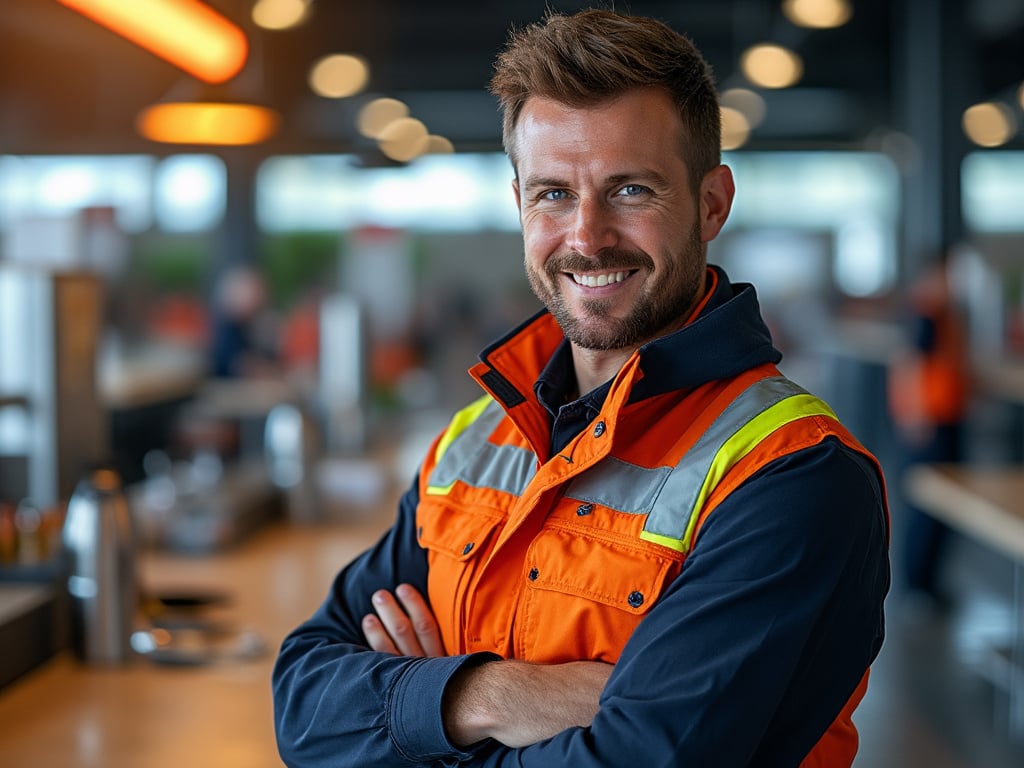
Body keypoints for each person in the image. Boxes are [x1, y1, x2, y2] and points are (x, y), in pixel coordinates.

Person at [272, 9, 890, 767]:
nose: (587, 237)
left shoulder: (792, 476)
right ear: (520, 206)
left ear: (711, 203)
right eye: (554, 194)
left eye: (630, 190)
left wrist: (413, 717)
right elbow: (302, 704)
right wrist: (489, 697)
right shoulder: (478, 437)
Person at [887, 253, 970, 604]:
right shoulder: (927, 312)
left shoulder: (944, 314)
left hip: (946, 416)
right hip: (930, 421)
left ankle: (928, 584)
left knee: (942, 503)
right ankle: (918, 587)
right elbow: (912, 364)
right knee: (927, 503)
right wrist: (916, 414)